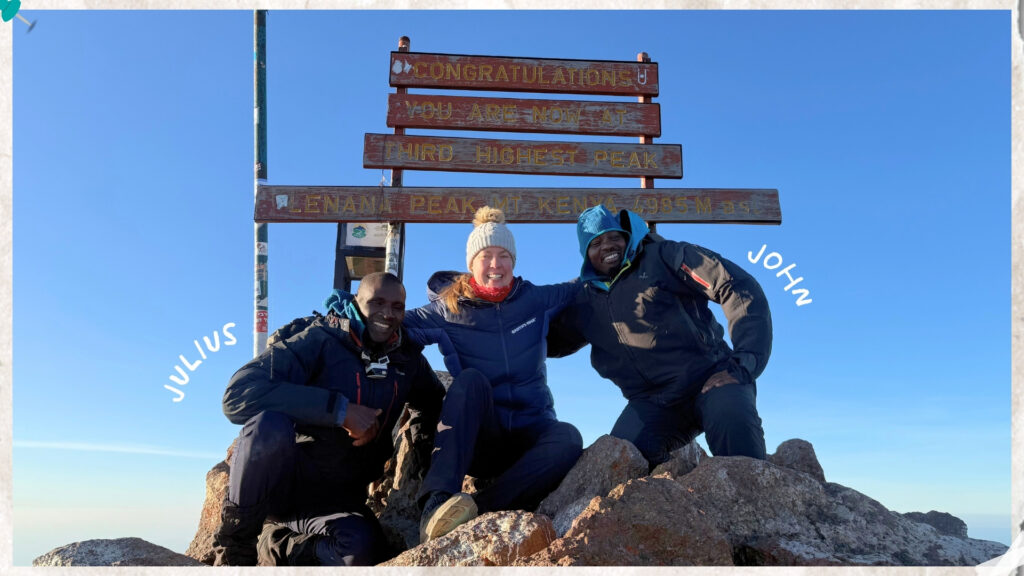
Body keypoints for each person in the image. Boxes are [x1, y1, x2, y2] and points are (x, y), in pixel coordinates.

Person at [211, 272, 444, 566]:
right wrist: (339, 411)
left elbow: (432, 401)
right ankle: (235, 550)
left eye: (398, 306)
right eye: (377, 302)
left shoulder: (406, 359)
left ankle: (274, 545)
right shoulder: (319, 339)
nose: (388, 313)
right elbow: (238, 395)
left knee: (358, 551)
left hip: (339, 499)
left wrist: (421, 462)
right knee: (267, 425)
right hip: (285, 486)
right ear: (357, 303)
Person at [403, 206, 583, 543]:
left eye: (504, 256)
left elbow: (581, 287)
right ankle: (437, 502)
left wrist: (629, 259)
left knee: (569, 437)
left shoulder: (535, 299)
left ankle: (478, 509)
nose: (496, 265)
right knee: (469, 381)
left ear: (513, 261)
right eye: (487, 256)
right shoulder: (448, 309)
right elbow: (395, 325)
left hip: (531, 436)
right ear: (472, 263)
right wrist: (355, 313)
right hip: (483, 441)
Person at [548, 204, 772, 469]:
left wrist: (744, 362)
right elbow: (547, 341)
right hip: (653, 403)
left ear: (628, 238)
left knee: (732, 421)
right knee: (617, 460)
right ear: (586, 253)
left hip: (711, 376)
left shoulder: (666, 256)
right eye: (595, 242)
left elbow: (734, 285)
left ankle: (756, 501)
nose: (606, 245)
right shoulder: (583, 299)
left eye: (614, 237)